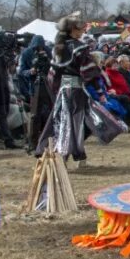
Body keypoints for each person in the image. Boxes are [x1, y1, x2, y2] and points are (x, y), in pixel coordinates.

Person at [35, 15, 98, 163]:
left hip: (64, 90)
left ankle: (73, 156)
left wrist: (58, 89)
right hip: (77, 91)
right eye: (80, 28)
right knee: (76, 124)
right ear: (73, 30)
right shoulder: (79, 48)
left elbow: (53, 75)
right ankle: (64, 156)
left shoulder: (57, 48)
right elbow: (89, 72)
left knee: (65, 123)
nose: (83, 31)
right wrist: (98, 90)